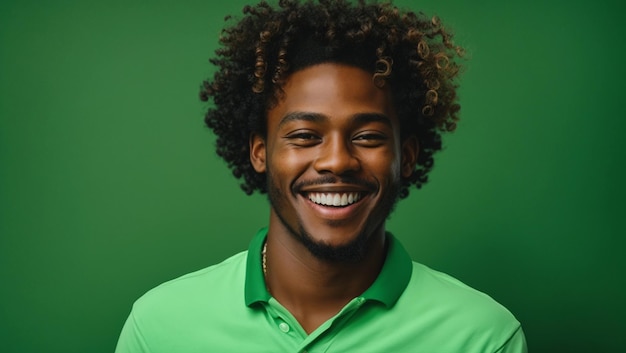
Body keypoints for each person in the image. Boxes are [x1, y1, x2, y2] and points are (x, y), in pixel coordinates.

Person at [115, 0, 527, 352]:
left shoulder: (483, 338)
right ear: (260, 152)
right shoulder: (159, 329)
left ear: (407, 156)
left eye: (367, 136)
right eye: (305, 135)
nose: (336, 161)